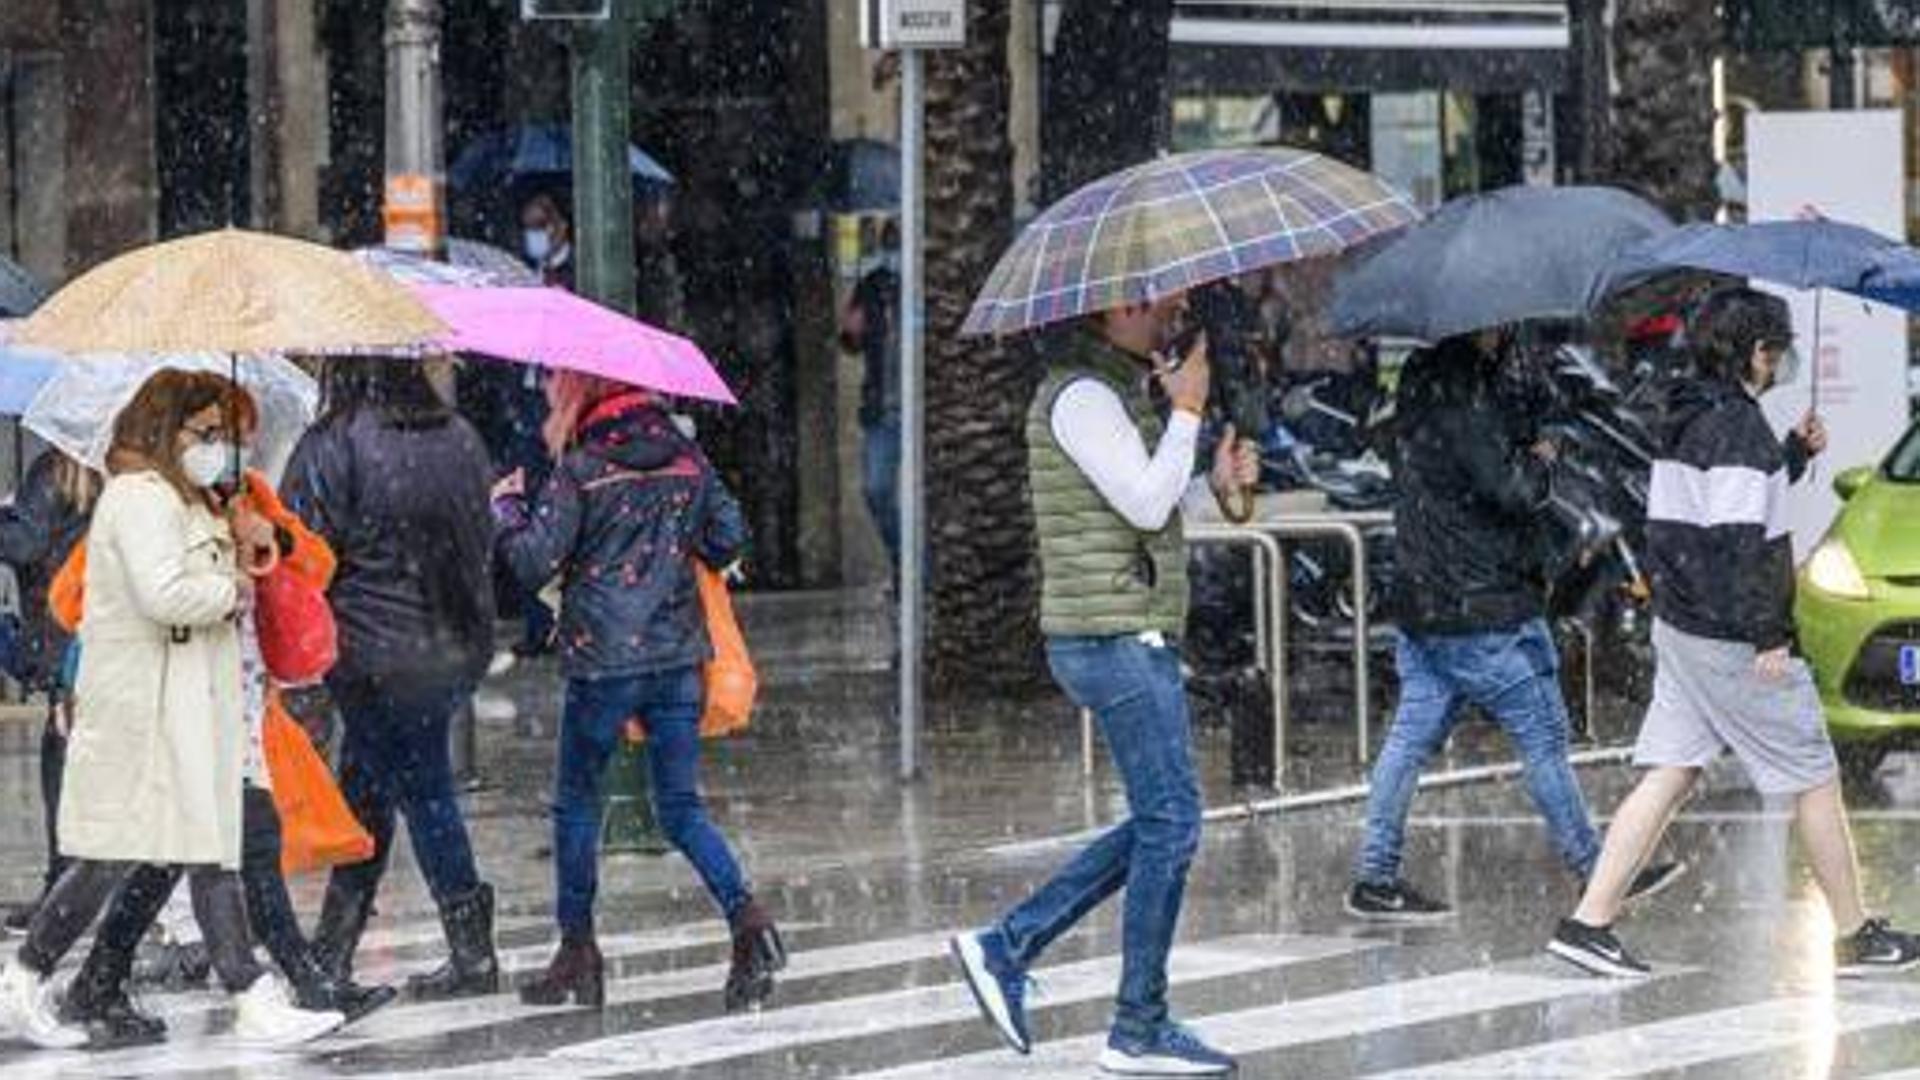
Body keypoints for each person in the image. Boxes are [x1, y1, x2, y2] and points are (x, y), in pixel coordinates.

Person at [1548, 288, 1920, 977]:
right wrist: (1769, 636)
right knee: (1813, 774)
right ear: (1756, 354)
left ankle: (1588, 921)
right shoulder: (1737, 433)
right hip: (1731, 639)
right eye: (1777, 352)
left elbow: (1701, 523)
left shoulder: (1687, 418)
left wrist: (1792, 455)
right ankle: (1855, 933)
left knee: (1670, 771)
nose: (1781, 365)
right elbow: (1744, 544)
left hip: (1683, 626)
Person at [949, 294, 1254, 1076]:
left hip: (1127, 628)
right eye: (1156, 298)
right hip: (1108, 637)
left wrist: (1216, 479)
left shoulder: (1115, 390)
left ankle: (1010, 947)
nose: (1174, 310)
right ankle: (1134, 1023)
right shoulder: (1081, 397)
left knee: (1165, 820)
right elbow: (1144, 499)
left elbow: (1146, 507)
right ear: (1112, 308)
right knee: (1173, 823)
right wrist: (1186, 413)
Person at [0, 370, 343, 1049]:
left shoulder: (189, 500)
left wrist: (249, 535)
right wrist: (230, 584)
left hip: (185, 713)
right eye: (206, 433)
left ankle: (253, 996)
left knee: (211, 855)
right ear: (166, 428)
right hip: (141, 715)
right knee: (107, 862)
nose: (219, 447)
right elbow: (164, 595)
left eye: (225, 435)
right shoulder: (138, 498)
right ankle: (25, 977)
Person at [1344, 333, 1684, 923]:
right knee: (1542, 734)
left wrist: (1530, 411)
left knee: (1412, 735)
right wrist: (1542, 455)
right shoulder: (1464, 391)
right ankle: (1596, 870)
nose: (1510, 331)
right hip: (1474, 601)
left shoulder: (1432, 381)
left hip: (1435, 596)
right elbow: (1513, 487)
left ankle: (1375, 875)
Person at [492, 371, 782, 1012]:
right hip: (677, 655)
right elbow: (728, 537)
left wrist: (507, 509)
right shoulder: (687, 460)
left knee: (576, 804)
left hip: (603, 664)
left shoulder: (582, 468)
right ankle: (748, 919)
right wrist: (670, 541)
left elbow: (533, 559)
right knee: (680, 808)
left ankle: (578, 951)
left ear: (582, 394)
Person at [282, 358, 501, 1001]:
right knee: (370, 787)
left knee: (422, 789)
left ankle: (469, 950)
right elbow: (479, 537)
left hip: (370, 652)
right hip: (451, 644)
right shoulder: (460, 435)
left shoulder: (336, 441)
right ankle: (335, 946)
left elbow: (304, 551)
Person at [0, 450, 99, 936]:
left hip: (65, 630)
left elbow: (24, 542)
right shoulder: (119, 472)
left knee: (61, 766)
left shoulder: (57, 469)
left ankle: (65, 895)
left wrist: (6, 515)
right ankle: (73, 888)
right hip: (94, 632)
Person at [838, 220, 902, 570]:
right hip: (882, 408)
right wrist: (852, 331)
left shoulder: (926, 286)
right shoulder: (872, 286)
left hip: (922, 409)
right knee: (876, 489)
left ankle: (917, 572)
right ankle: (905, 560)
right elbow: (850, 340)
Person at [521, 190, 576, 291]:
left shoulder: (580, 270)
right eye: (529, 228)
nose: (535, 235)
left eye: (541, 226)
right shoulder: (521, 268)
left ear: (563, 226)